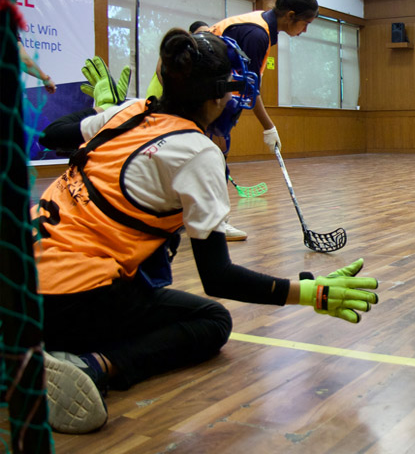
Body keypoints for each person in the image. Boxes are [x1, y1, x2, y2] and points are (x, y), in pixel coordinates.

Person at [32, 29, 379, 434]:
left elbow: (54, 135)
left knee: (147, 276)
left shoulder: (130, 112)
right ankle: (90, 366)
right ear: (215, 98)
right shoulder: (197, 153)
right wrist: (310, 291)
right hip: (67, 297)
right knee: (211, 322)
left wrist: (105, 108)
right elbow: (217, 278)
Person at [143, 22, 247, 242]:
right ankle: (214, 222)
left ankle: (192, 217)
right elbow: (216, 273)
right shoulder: (200, 154)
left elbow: (59, 132)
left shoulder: (128, 112)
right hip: (96, 269)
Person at [210, 0, 318, 157]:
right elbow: (250, 88)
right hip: (201, 93)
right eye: (305, 24)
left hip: (213, 91)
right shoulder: (257, 34)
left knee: (216, 153)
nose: (305, 30)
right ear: (290, 15)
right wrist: (269, 127)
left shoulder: (260, 22)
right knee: (213, 154)